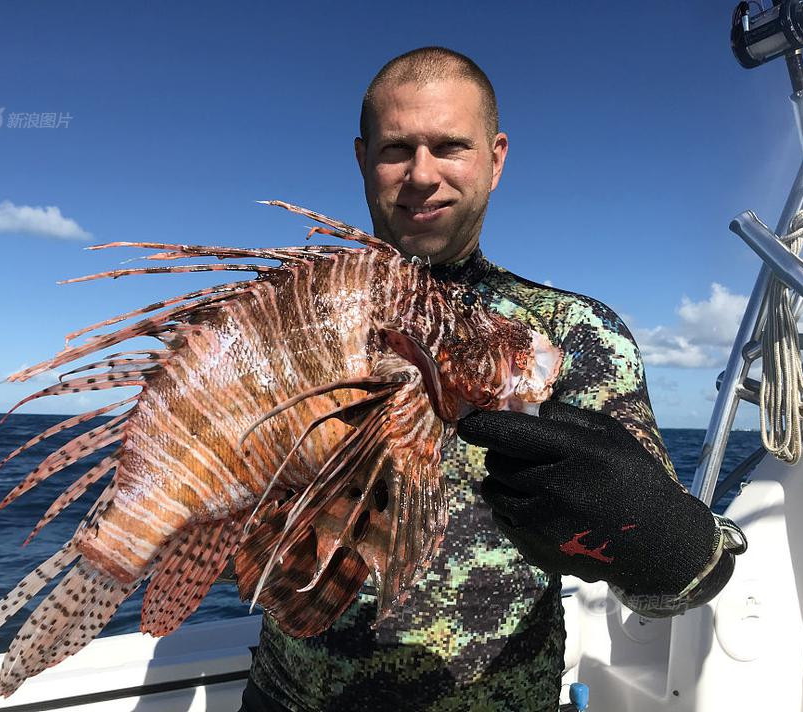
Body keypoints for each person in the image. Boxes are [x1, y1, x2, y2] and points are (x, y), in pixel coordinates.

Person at [238, 46, 746, 712]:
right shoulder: (284, 321)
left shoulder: (568, 332)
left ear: (495, 158)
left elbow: (671, 589)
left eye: (451, 146)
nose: (422, 175)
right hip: (285, 696)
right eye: (397, 149)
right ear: (363, 158)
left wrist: (658, 537)